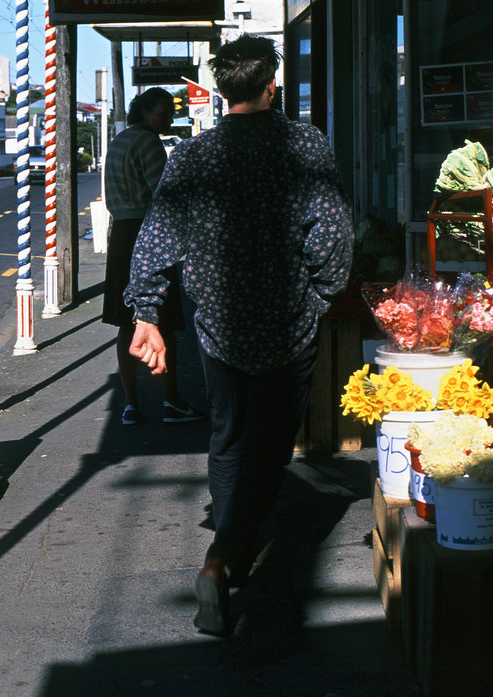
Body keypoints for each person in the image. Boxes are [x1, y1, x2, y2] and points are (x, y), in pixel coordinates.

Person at [124, 35, 353, 636]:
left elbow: (155, 239)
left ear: (222, 91)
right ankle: (224, 559)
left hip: (218, 325)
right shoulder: (303, 144)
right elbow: (329, 235)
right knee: (271, 445)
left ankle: (230, 557)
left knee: (228, 437)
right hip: (286, 323)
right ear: (271, 85)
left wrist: (147, 313)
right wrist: (322, 296)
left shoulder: (192, 156)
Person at [102, 87, 203, 426]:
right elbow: (166, 194)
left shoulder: (119, 140)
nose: (169, 118)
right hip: (148, 233)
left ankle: (130, 403)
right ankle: (171, 400)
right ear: (145, 113)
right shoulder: (148, 141)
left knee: (124, 322)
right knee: (163, 320)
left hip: (121, 233)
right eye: (163, 113)